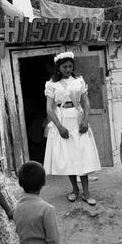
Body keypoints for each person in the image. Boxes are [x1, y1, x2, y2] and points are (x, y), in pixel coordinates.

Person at [44, 51, 101, 206]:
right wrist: (59, 126)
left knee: (82, 155)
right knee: (69, 156)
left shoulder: (78, 81)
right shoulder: (52, 84)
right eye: (64, 67)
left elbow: (86, 102)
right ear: (59, 67)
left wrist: (86, 120)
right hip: (62, 117)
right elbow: (49, 108)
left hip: (77, 117)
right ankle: (75, 190)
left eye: (70, 66)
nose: (68, 69)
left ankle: (87, 192)